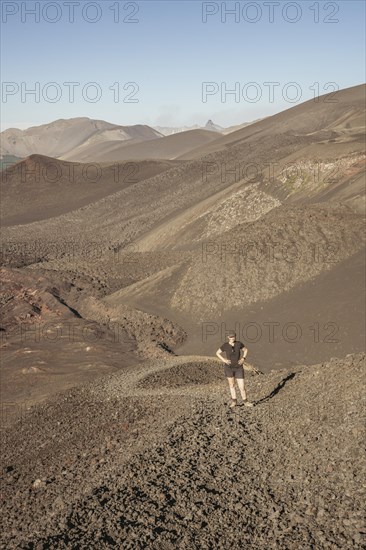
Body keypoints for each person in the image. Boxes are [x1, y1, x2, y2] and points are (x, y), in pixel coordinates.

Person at [216, 332, 254, 408]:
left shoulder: (239, 344)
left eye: (233, 337)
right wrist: (224, 360)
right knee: (232, 385)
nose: (232, 338)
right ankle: (234, 401)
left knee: (242, 387)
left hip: (238, 367)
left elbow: (245, 350)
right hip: (229, 368)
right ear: (228, 337)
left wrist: (243, 358)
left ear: (235, 337)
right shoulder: (225, 345)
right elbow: (217, 353)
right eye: (230, 337)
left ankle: (246, 402)